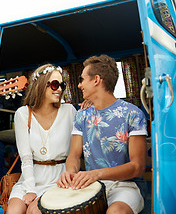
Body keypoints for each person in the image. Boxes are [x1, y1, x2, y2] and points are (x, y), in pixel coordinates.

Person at [57, 55, 147, 214]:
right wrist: (70, 172)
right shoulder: (81, 115)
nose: (79, 85)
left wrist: (97, 174)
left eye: (82, 79)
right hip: (91, 187)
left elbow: (137, 167)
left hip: (125, 187)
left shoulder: (133, 114)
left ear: (96, 80)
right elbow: (74, 155)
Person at [7, 64, 76, 214]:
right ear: (40, 85)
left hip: (59, 178)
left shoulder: (69, 111)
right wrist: (30, 190)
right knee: (13, 211)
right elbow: (26, 157)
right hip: (30, 177)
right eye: (54, 84)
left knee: (35, 211)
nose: (59, 89)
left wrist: (89, 106)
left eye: (62, 85)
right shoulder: (23, 114)